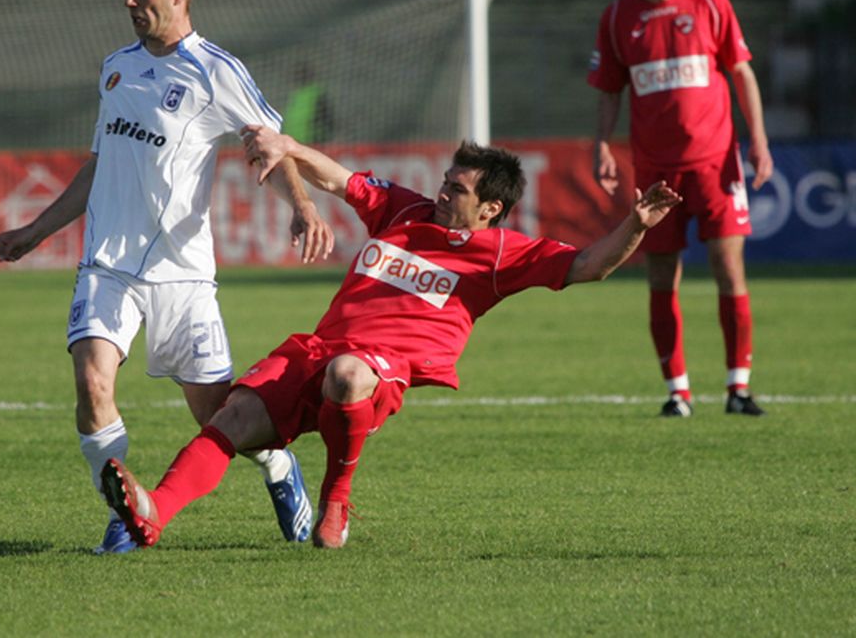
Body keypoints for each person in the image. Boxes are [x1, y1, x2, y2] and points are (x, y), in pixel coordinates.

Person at [100, 133, 683, 549]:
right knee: (232, 417)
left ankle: (337, 495)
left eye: (456, 189)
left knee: (349, 375)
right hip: (315, 350)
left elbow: (589, 265)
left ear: (491, 209)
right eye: (445, 182)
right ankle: (152, 514)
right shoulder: (405, 209)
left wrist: (636, 225)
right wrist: (287, 146)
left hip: (380, 368)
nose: (441, 193)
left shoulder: (503, 255)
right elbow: (338, 179)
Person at [0, 0, 334, 554]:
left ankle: (278, 466)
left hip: (184, 274)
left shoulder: (216, 71)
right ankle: (125, 516)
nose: (128, 1)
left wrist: (303, 207)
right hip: (107, 266)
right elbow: (101, 163)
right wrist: (35, 232)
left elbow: (271, 147)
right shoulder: (115, 67)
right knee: (93, 385)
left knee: (221, 419)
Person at [588, 0, 773, 417]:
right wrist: (601, 143)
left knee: (727, 268)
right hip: (655, 169)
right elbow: (609, 90)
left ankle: (738, 387)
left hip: (716, 164)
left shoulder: (711, 3)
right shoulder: (616, 18)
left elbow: (742, 74)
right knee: (661, 274)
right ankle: (678, 391)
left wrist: (757, 139)